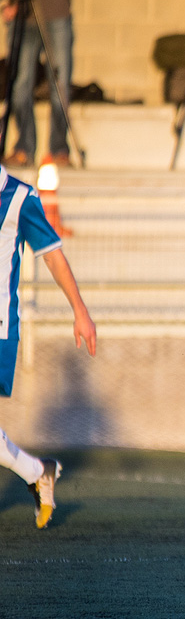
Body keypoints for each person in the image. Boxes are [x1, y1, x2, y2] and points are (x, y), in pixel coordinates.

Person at [0, 164, 97, 527]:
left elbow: (53, 255)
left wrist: (80, 311)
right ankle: (39, 471)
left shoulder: (21, 198)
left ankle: (37, 471)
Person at [1, 0, 73, 169]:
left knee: (60, 85)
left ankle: (59, 150)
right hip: (22, 15)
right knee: (19, 86)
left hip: (56, 11)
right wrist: (7, 1)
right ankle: (24, 147)